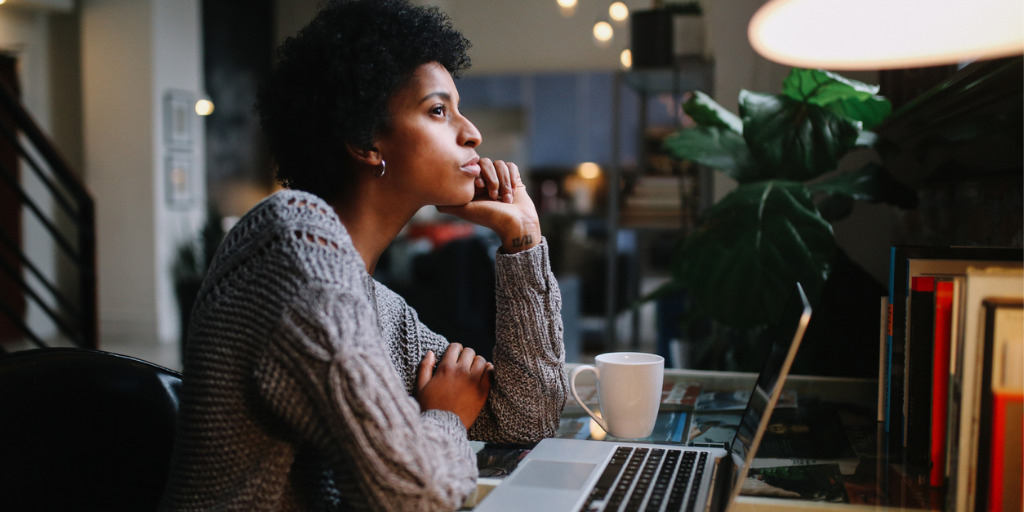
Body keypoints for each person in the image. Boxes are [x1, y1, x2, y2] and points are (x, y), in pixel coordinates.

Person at [159, 1, 568, 510]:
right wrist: (444, 417)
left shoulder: (376, 306)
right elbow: (414, 493)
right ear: (365, 139)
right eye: (439, 110)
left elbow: (527, 417)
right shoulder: (294, 249)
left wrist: (523, 238)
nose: (472, 133)